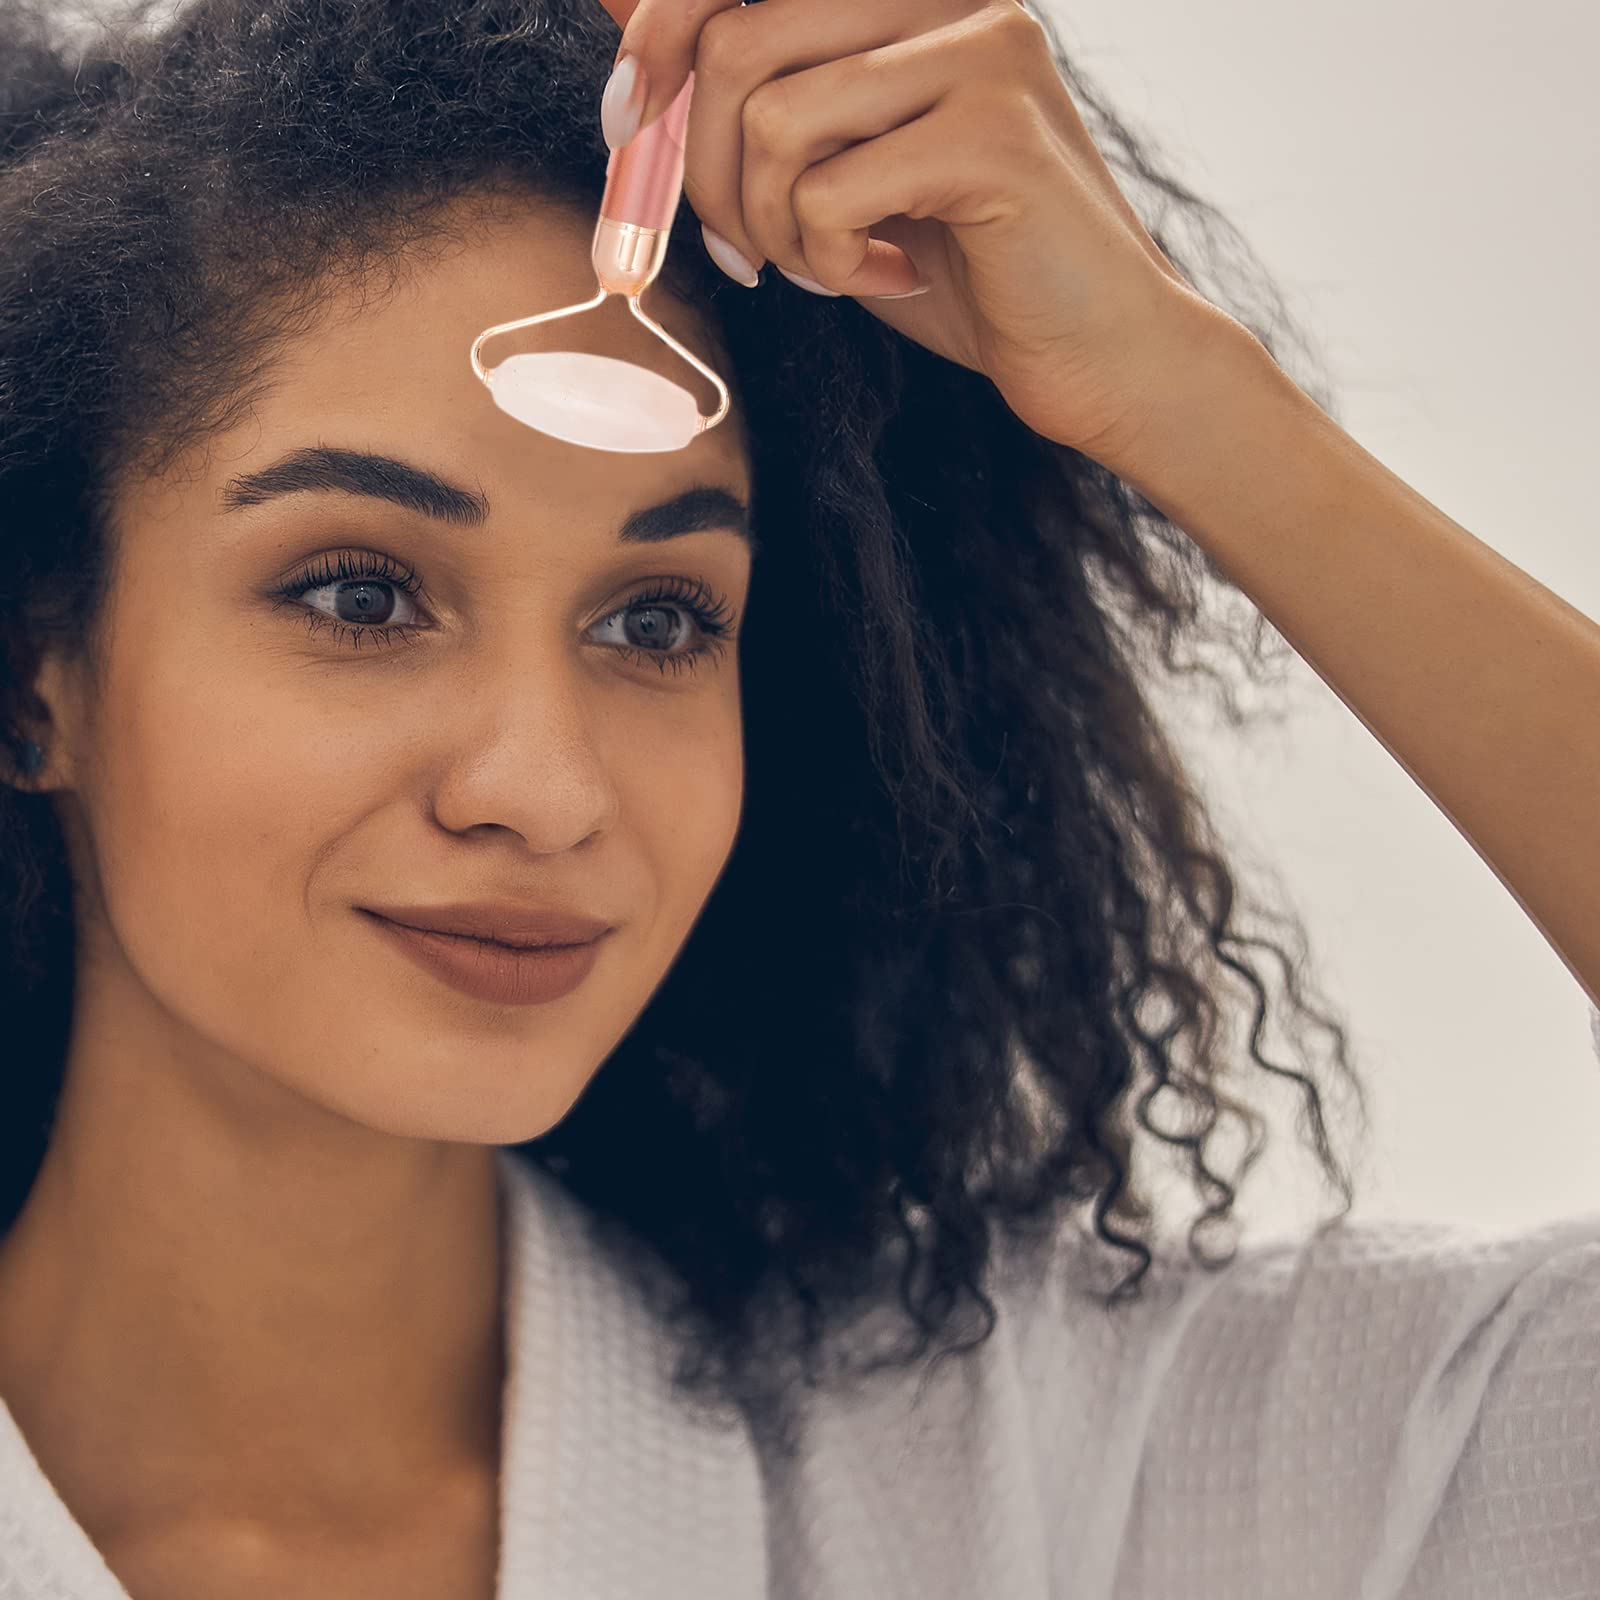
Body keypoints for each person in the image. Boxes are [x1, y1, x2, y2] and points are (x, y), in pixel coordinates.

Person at [0, 0, 1595, 1596]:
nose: (546, 792)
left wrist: (1185, 396)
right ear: (31, 671)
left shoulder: (1048, 1482)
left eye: (658, 621)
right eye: (360, 597)